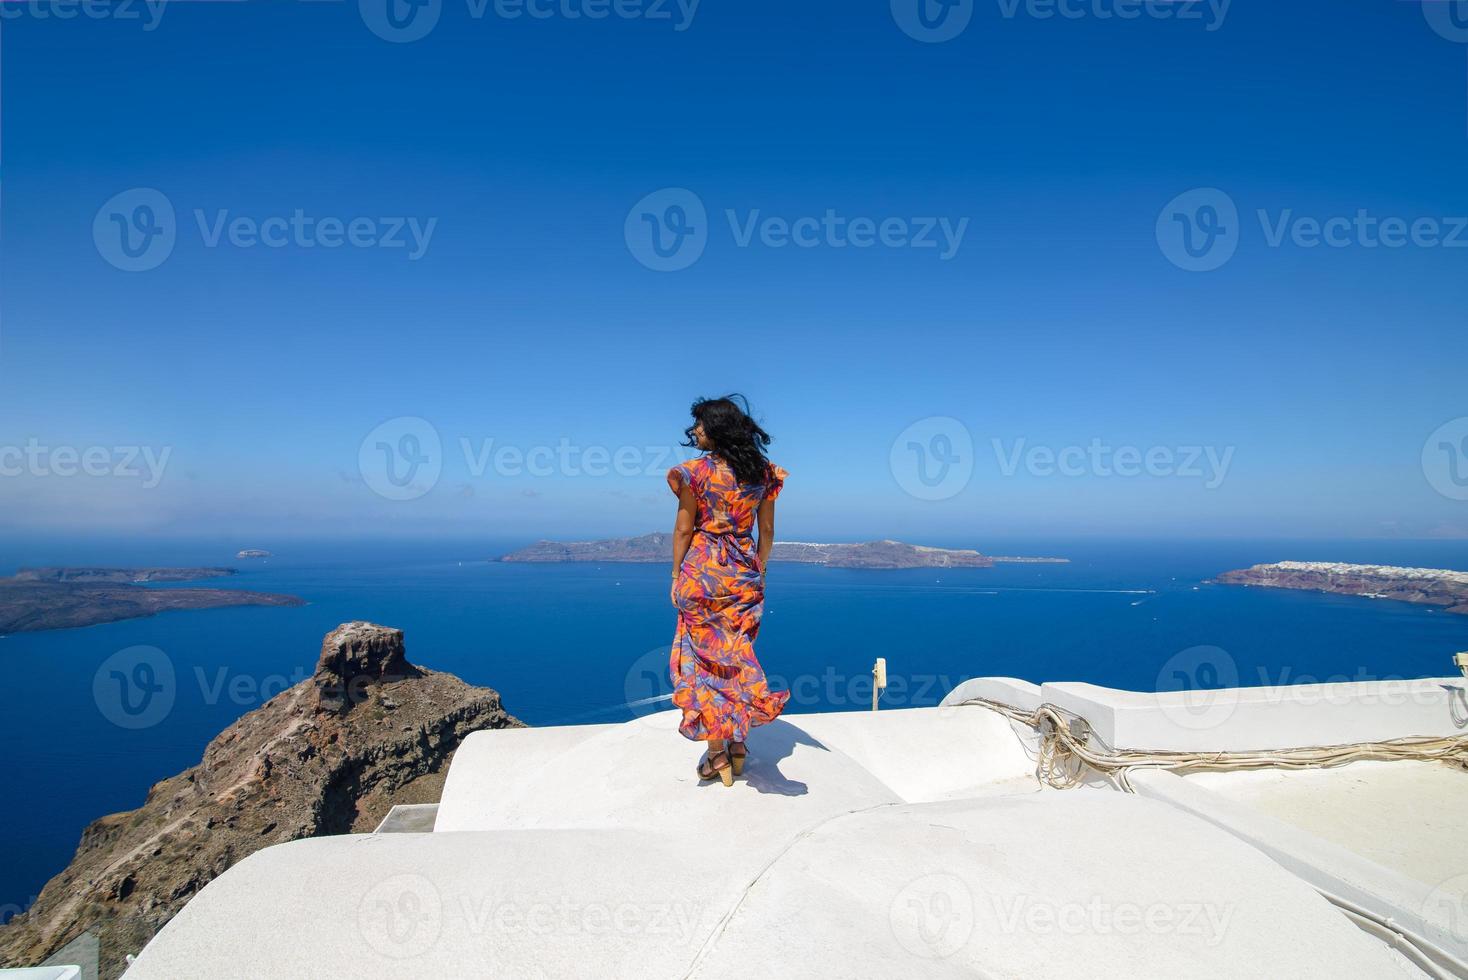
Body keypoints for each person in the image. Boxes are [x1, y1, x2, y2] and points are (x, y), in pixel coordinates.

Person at [667, 395, 791, 787]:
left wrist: (674, 575)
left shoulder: (694, 473)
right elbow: (766, 531)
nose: (695, 432)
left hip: (702, 572)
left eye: (700, 425)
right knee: (736, 655)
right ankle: (738, 745)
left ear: (717, 429)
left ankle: (717, 754)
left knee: (705, 664)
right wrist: (761, 569)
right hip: (743, 572)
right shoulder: (764, 472)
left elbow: (685, 529)